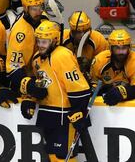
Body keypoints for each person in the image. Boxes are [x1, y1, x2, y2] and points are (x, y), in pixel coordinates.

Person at [20, 20, 91, 162]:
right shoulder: (36, 60)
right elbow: (41, 85)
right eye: (38, 41)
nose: (40, 45)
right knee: (52, 155)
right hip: (48, 114)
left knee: (64, 156)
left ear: (54, 40)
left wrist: (79, 110)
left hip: (66, 116)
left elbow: (79, 87)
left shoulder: (62, 56)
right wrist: (30, 98)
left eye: (44, 42)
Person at [6, 0, 49, 97]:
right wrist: (30, 85)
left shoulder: (42, 17)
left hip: (42, 72)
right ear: (25, 8)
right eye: (34, 8)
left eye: (40, 7)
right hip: (27, 78)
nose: (39, 11)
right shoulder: (20, 33)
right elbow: (13, 68)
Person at [90, 29, 135, 105]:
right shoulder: (99, 60)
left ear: (129, 47)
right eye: (117, 48)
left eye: (124, 48)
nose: (121, 52)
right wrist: (102, 89)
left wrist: (122, 92)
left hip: (132, 104)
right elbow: (94, 85)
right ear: (111, 48)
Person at [63, 11, 108, 75]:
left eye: (85, 31)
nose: (82, 35)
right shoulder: (62, 37)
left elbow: (104, 63)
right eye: (78, 32)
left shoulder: (98, 39)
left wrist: (91, 64)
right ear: (71, 31)